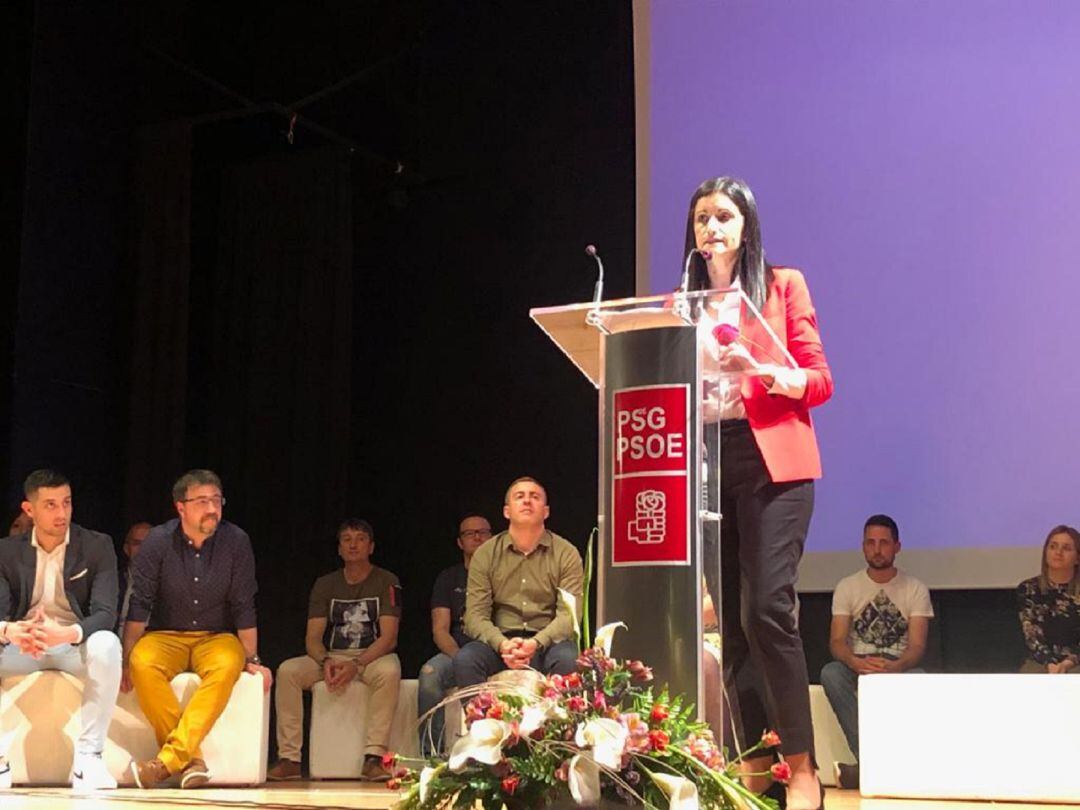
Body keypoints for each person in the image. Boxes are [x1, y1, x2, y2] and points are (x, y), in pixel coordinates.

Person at [684, 177, 833, 810]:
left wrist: (771, 372)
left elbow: (820, 378)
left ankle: (802, 766)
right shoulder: (683, 305)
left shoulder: (782, 285)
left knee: (767, 609)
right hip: (710, 462)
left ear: (746, 224)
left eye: (722, 216)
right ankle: (754, 762)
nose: (710, 228)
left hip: (775, 460)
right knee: (734, 632)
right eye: (700, 219)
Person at [121, 469, 272, 789]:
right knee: (142, 662)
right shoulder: (158, 541)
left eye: (217, 500)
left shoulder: (236, 541)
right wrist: (126, 658)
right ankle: (190, 761)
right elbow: (140, 603)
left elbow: (244, 603)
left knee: (229, 663)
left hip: (215, 637)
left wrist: (253, 658)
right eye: (202, 501)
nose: (212, 508)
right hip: (166, 635)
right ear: (181, 507)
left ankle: (167, 762)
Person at [0, 469, 122, 791]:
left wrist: (64, 634)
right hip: (24, 646)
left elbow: (106, 614)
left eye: (66, 503)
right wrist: (11, 631)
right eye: (51, 505)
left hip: (72, 644)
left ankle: (89, 758)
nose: (62, 513)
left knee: (107, 644)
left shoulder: (97, 546)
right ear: (29, 510)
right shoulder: (6, 552)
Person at [269, 519, 402, 782]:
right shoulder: (325, 584)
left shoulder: (387, 580)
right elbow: (313, 638)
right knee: (288, 671)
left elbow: (389, 638)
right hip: (333, 655)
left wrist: (358, 664)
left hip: (372, 655)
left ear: (371, 547)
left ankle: (374, 757)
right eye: (346, 539)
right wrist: (325, 660)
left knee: (389, 670)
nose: (353, 544)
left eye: (360, 539)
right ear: (339, 548)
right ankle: (290, 759)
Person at [819, 514, 933, 790]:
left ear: (897, 546)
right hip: (858, 663)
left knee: (923, 679)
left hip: (898, 665)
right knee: (831, 673)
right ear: (863, 546)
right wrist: (855, 661)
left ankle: (868, 770)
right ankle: (873, 761)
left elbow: (917, 646)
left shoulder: (915, 588)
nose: (877, 549)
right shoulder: (848, 586)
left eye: (884, 543)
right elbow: (837, 641)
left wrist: (897, 665)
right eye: (870, 542)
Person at [456, 477, 582, 687]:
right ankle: (481, 720)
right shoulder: (486, 553)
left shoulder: (565, 553)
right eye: (519, 496)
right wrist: (502, 644)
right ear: (507, 511)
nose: (527, 501)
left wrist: (535, 643)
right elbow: (475, 615)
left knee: (569, 659)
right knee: (466, 659)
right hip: (500, 643)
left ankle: (556, 721)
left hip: (547, 643)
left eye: (535, 497)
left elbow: (569, 616)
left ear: (546, 511)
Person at [418, 514, 492, 756]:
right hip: (456, 650)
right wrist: (460, 658)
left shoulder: (503, 575)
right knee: (429, 675)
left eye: (482, 532)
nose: (477, 537)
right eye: (469, 533)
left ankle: (486, 755)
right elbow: (440, 629)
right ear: (460, 542)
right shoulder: (448, 578)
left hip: (492, 649)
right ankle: (432, 757)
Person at [1017, 525, 1080, 674]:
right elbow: (1032, 634)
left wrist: (1068, 663)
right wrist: (1050, 663)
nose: (1058, 552)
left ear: (1077, 557)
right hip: (1040, 661)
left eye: (1066, 548)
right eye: (1053, 546)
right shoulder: (1028, 588)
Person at [116, 521, 151, 631]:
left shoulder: (172, 583)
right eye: (137, 543)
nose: (143, 549)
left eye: (149, 543)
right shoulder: (112, 582)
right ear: (127, 549)